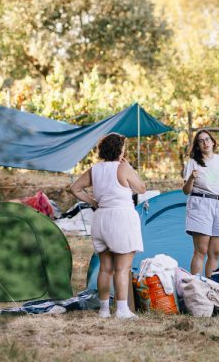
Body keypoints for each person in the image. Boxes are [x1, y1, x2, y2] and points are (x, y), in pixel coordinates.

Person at [69, 133, 146, 319]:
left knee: (105, 268)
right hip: (121, 218)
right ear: (120, 150)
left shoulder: (95, 170)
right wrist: (130, 169)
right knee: (122, 268)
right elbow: (142, 189)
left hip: (101, 218)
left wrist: (93, 202)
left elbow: (74, 188)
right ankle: (121, 310)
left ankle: (104, 310)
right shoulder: (123, 168)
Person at [181, 129, 219, 276]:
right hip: (200, 204)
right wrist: (191, 178)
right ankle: (195, 289)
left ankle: (210, 287)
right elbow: (186, 190)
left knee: (215, 252)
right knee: (201, 251)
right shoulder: (193, 163)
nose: (205, 143)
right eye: (201, 141)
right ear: (197, 146)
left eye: (207, 139)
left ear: (213, 141)